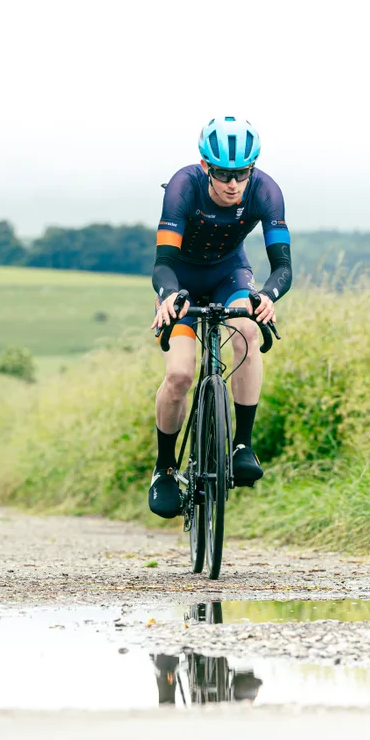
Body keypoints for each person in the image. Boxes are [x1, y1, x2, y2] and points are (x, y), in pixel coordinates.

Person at [148, 116, 292, 519]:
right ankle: (165, 468)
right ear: (206, 166)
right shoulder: (183, 186)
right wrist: (168, 295)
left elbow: (283, 267)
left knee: (247, 327)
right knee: (179, 375)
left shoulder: (266, 191)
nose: (233, 184)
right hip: (182, 281)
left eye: (242, 173)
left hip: (231, 274)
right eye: (225, 174)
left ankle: (242, 445)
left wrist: (266, 296)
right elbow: (163, 263)